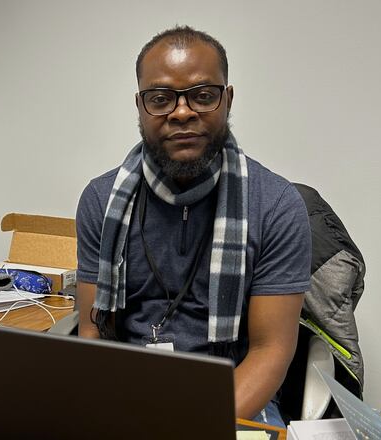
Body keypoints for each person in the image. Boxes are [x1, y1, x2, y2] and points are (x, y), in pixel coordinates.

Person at [75, 25, 311, 429]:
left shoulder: (276, 206)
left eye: (202, 96)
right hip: (126, 396)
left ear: (227, 99)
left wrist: (188, 426)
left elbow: (271, 350)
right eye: (161, 99)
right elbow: (92, 332)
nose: (182, 113)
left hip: (233, 400)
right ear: (140, 106)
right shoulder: (101, 201)